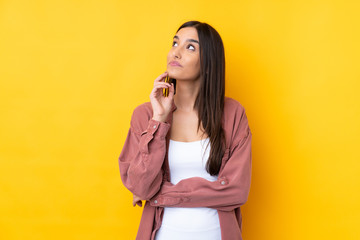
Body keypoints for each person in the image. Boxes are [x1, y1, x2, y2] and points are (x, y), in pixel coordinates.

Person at [118, 20, 252, 240]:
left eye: (190, 47)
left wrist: (162, 194)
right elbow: (141, 187)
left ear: (209, 63)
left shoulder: (232, 114)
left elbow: (237, 190)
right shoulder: (145, 115)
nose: (176, 53)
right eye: (174, 43)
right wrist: (159, 121)